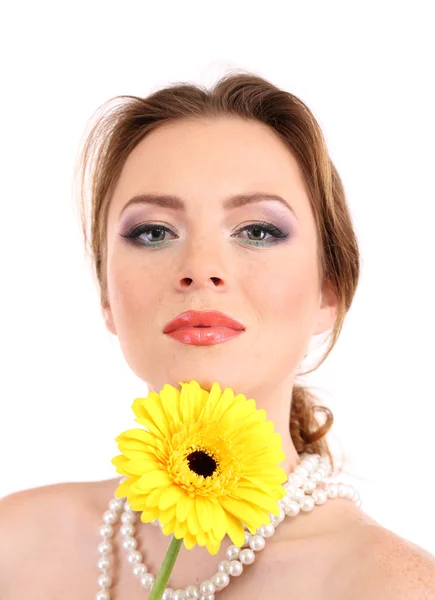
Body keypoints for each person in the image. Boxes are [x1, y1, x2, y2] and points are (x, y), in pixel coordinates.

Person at [1, 70, 434, 599]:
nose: (200, 268)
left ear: (329, 290)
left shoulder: (390, 584)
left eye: (257, 231)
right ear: (107, 297)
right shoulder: (15, 547)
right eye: (153, 232)